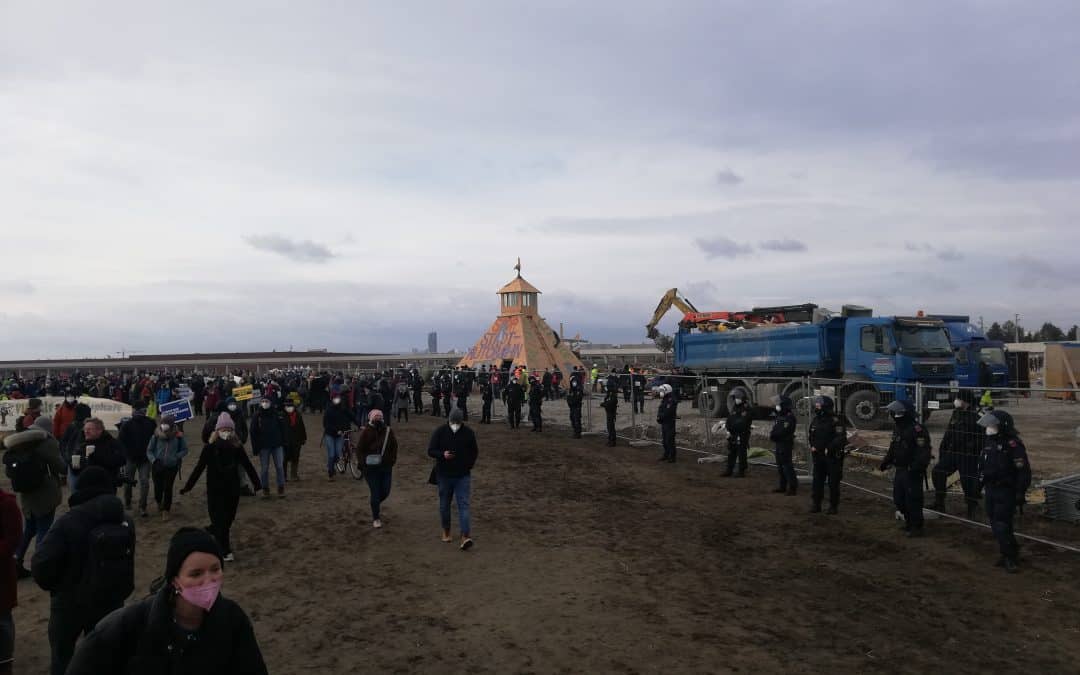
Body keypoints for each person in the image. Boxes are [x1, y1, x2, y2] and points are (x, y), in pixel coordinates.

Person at [65, 526, 268, 674]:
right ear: (175, 580)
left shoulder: (233, 620)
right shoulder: (129, 625)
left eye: (215, 569)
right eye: (196, 574)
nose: (209, 580)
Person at [31, 466, 136, 675]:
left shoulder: (68, 521)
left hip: (70, 601)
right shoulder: (125, 520)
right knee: (103, 655)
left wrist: (57, 587)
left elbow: (41, 564)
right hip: (111, 598)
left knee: (63, 655)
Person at [180, 413, 261, 562]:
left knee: (227, 521)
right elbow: (199, 468)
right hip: (214, 491)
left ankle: (219, 540)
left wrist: (257, 483)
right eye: (223, 429)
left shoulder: (237, 447)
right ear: (217, 431)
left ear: (233, 431)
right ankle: (225, 550)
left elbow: (247, 465)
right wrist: (188, 486)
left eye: (229, 430)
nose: (226, 432)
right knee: (220, 522)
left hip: (232, 490)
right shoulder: (209, 448)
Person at [5, 423, 65, 580]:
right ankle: (40, 565)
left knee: (29, 528)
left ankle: (16, 559)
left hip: (26, 495)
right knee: (44, 529)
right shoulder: (46, 442)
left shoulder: (19, 445)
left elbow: (10, 471)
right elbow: (60, 467)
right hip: (45, 493)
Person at [978, 410, 1031, 573]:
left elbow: (1023, 471)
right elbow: (982, 464)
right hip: (991, 489)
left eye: (993, 425)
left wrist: (1020, 492)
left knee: (1002, 524)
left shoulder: (1013, 444)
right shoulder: (989, 442)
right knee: (995, 522)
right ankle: (1009, 550)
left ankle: (1010, 558)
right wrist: (979, 483)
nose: (989, 428)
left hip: (1005, 490)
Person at [879, 400, 932, 537]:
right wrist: (886, 462)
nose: (894, 416)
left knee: (913, 499)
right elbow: (893, 447)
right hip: (900, 469)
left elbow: (923, 452)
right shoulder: (898, 429)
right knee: (899, 499)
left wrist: (915, 467)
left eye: (897, 413)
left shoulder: (917, 430)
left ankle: (916, 527)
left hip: (912, 471)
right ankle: (909, 522)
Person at [427, 409, 477, 550]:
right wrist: (442, 454)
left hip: (462, 475)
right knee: (444, 505)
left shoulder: (468, 433)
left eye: (457, 422)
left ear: (462, 421)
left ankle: (465, 536)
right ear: (448, 420)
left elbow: (474, 452)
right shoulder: (440, 431)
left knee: (464, 505)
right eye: (453, 422)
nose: (455, 424)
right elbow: (430, 450)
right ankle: (446, 530)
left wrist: (468, 465)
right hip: (444, 474)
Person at [931, 389, 981, 518]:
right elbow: (949, 432)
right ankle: (939, 502)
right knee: (938, 472)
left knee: (968, 482)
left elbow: (982, 438)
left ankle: (972, 508)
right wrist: (943, 450)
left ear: (965, 401)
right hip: (953, 453)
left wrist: (973, 449)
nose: (956, 401)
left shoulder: (977, 415)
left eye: (959, 398)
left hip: (968, 456)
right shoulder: (956, 413)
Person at [357, 410, 398, 529]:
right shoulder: (366, 432)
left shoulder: (388, 431)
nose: (378, 418)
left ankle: (374, 504)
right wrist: (364, 462)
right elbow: (359, 450)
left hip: (386, 467)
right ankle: (376, 517)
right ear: (371, 418)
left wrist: (392, 460)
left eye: (380, 416)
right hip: (370, 469)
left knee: (385, 491)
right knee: (375, 493)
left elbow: (394, 447)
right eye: (376, 417)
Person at [145, 414, 189, 521]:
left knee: (168, 488)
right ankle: (159, 501)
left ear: (172, 425)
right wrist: (154, 460)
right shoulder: (156, 435)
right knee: (158, 487)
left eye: (166, 424)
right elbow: (149, 450)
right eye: (162, 423)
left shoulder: (178, 437)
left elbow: (184, 450)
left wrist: (176, 457)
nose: (164, 426)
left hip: (172, 466)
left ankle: (166, 510)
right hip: (157, 466)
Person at [808, 396, 846, 513]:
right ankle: (816, 504)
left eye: (819, 405)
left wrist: (829, 448)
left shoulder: (836, 420)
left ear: (825, 407)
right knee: (817, 481)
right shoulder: (816, 420)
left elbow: (840, 438)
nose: (816, 407)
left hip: (832, 457)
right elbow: (811, 434)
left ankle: (833, 506)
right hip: (818, 456)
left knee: (833, 483)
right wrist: (812, 446)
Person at [118, 404, 156, 517]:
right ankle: (128, 501)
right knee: (128, 482)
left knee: (144, 482)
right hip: (130, 458)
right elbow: (120, 441)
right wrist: (125, 455)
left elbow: (156, 438)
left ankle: (142, 506)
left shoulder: (151, 423)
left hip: (145, 459)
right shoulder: (127, 424)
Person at [0, 481, 21, 675]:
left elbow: (14, 538)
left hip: (1, 574)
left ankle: (5, 661)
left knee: (2, 618)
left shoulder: (6, 504)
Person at [74, 417, 126, 490]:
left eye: (89, 429)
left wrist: (97, 457)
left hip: (107, 485)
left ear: (99, 430)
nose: (86, 431)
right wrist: (74, 466)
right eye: (85, 429)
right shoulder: (82, 446)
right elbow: (78, 469)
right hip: (87, 486)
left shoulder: (112, 443)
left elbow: (122, 460)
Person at [250, 399, 286, 498]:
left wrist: (283, 442)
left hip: (277, 445)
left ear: (271, 402)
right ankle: (265, 488)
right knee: (264, 468)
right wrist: (255, 447)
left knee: (279, 466)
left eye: (267, 401)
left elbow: (283, 428)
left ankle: (281, 487)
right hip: (263, 446)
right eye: (263, 401)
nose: (265, 403)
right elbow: (253, 432)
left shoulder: (277, 414)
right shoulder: (257, 415)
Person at [769, 395, 798, 496]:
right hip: (779, 443)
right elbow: (776, 428)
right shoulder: (780, 415)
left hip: (785, 444)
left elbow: (784, 431)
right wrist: (773, 435)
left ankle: (792, 487)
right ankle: (782, 486)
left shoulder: (789, 417)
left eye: (778, 404)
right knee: (780, 466)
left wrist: (774, 435)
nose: (776, 406)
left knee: (787, 466)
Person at [722, 388, 752, 477]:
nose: (736, 399)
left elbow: (742, 422)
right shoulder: (735, 407)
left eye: (737, 397)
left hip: (742, 434)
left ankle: (741, 471)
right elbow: (730, 418)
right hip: (733, 434)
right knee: (731, 452)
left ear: (742, 398)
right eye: (735, 398)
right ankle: (729, 470)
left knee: (741, 453)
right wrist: (728, 428)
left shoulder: (746, 409)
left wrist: (732, 427)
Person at [322, 394, 353, 481]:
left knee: (338, 455)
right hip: (330, 435)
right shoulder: (328, 410)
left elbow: (351, 415)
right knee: (331, 454)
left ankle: (331, 465)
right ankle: (330, 473)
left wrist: (359, 424)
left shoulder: (343, 409)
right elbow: (325, 424)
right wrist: (336, 430)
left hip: (340, 435)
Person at [282, 401, 306, 481]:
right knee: (284, 459)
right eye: (287, 406)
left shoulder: (298, 415)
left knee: (295, 458)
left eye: (290, 406)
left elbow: (302, 427)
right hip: (285, 441)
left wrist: (303, 438)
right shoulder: (281, 416)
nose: (289, 408)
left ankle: (294, 475)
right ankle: (283, 476)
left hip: (296, 440)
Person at [656, 384, 677, 462]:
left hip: (669, 422)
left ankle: (672, 456)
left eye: (662, 391)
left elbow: (668, 411)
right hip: (664, 422)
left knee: (669, 440)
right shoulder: (665, 399)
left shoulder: (671, 400)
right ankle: (666, 454)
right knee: (664, 440)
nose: (660, 392)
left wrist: (661, 416)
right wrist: (659, 417)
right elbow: (661, 409)